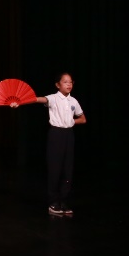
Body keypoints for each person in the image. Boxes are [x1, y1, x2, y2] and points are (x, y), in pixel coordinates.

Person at [31, 72, 86, 216]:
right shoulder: (53, 98)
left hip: (69, 135)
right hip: (56, 134)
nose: (69, 84)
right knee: (55, 168)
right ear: (58, 85)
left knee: (67, 169)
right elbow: (38, 99)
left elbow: (83, 119)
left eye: (70, 82)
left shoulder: (73, 101)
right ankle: (53, 202)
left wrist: (71, 121)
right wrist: (19, 102)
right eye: (65, 82)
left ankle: (64, 201)